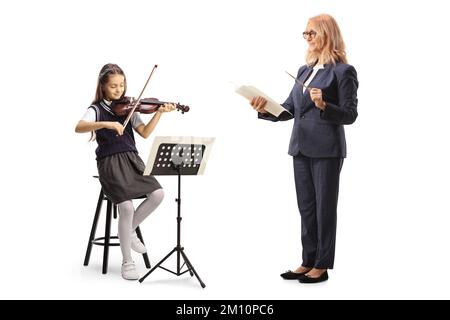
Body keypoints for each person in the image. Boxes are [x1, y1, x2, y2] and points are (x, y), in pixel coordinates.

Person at [250, 14, 358, 283]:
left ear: (327, 34)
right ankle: (307, 260)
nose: (308, 38)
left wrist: (324, 106)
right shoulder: (304, 71)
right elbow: (289, 109)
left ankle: (321, 265)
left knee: (324, 209)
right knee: (307, 207)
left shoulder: (343, 71)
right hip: (300, 147)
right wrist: (265, 109)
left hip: (326, 150)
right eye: (305, 33)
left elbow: (350, 114)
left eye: (313, 33)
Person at [75, 63, 176, 280]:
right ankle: (127, 261)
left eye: (121, 85)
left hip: (132, 160)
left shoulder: (130, 107)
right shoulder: (96, 109)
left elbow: (145, 133)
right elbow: (79, 126)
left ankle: (129, 230)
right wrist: (108, 125)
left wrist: (159, 113)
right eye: (113, 86)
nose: (119, 90)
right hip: (109, 164)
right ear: (102, 87)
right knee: (127, 206)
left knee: (158, 194)